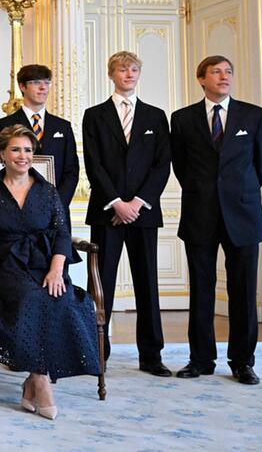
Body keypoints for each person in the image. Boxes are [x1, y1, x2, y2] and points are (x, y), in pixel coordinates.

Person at [0, 125, 100, 420]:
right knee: (33, 299)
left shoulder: (48, 191)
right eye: (15, 149)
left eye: (28, 150)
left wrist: (57, 270)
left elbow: (62, 234)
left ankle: (33, 378)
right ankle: (41, 381)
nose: (23, 155)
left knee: (64, 299)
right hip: (6, 266)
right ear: (2, 154)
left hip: (45, 264)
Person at [170, 55, 262, 385]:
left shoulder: (254, 115)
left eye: (228, 71)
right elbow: (181, 166)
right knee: (201, 289)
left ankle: (242, 362)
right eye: (216, 72)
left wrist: (236, 191)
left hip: (243, 214)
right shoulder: (183, 119)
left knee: (243, 291)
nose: (224, 76)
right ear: (201, 79)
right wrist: (205, 192)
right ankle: (200, 359)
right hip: (200, 213)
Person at [81, 51, 172, 375]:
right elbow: (94, 164)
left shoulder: (156, 116)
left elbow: (162, 164)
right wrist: (117, 202)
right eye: (123, 69)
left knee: (147, 282)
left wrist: (136, 203)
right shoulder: (94, 115)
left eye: (134, 68)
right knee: (100, 283)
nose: (129, 74)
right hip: (108, 212)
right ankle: (96, 353)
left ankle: (151, 356)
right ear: (112, 74)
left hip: (143, 213)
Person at [0, 65, 79, 211]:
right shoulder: (3, 125)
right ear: (22, 86)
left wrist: (57, 204)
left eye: (46, 82)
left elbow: (71, 170)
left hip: (56, 210)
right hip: (16, 208)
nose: (43, 88)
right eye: (36, 82)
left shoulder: (63, 126)